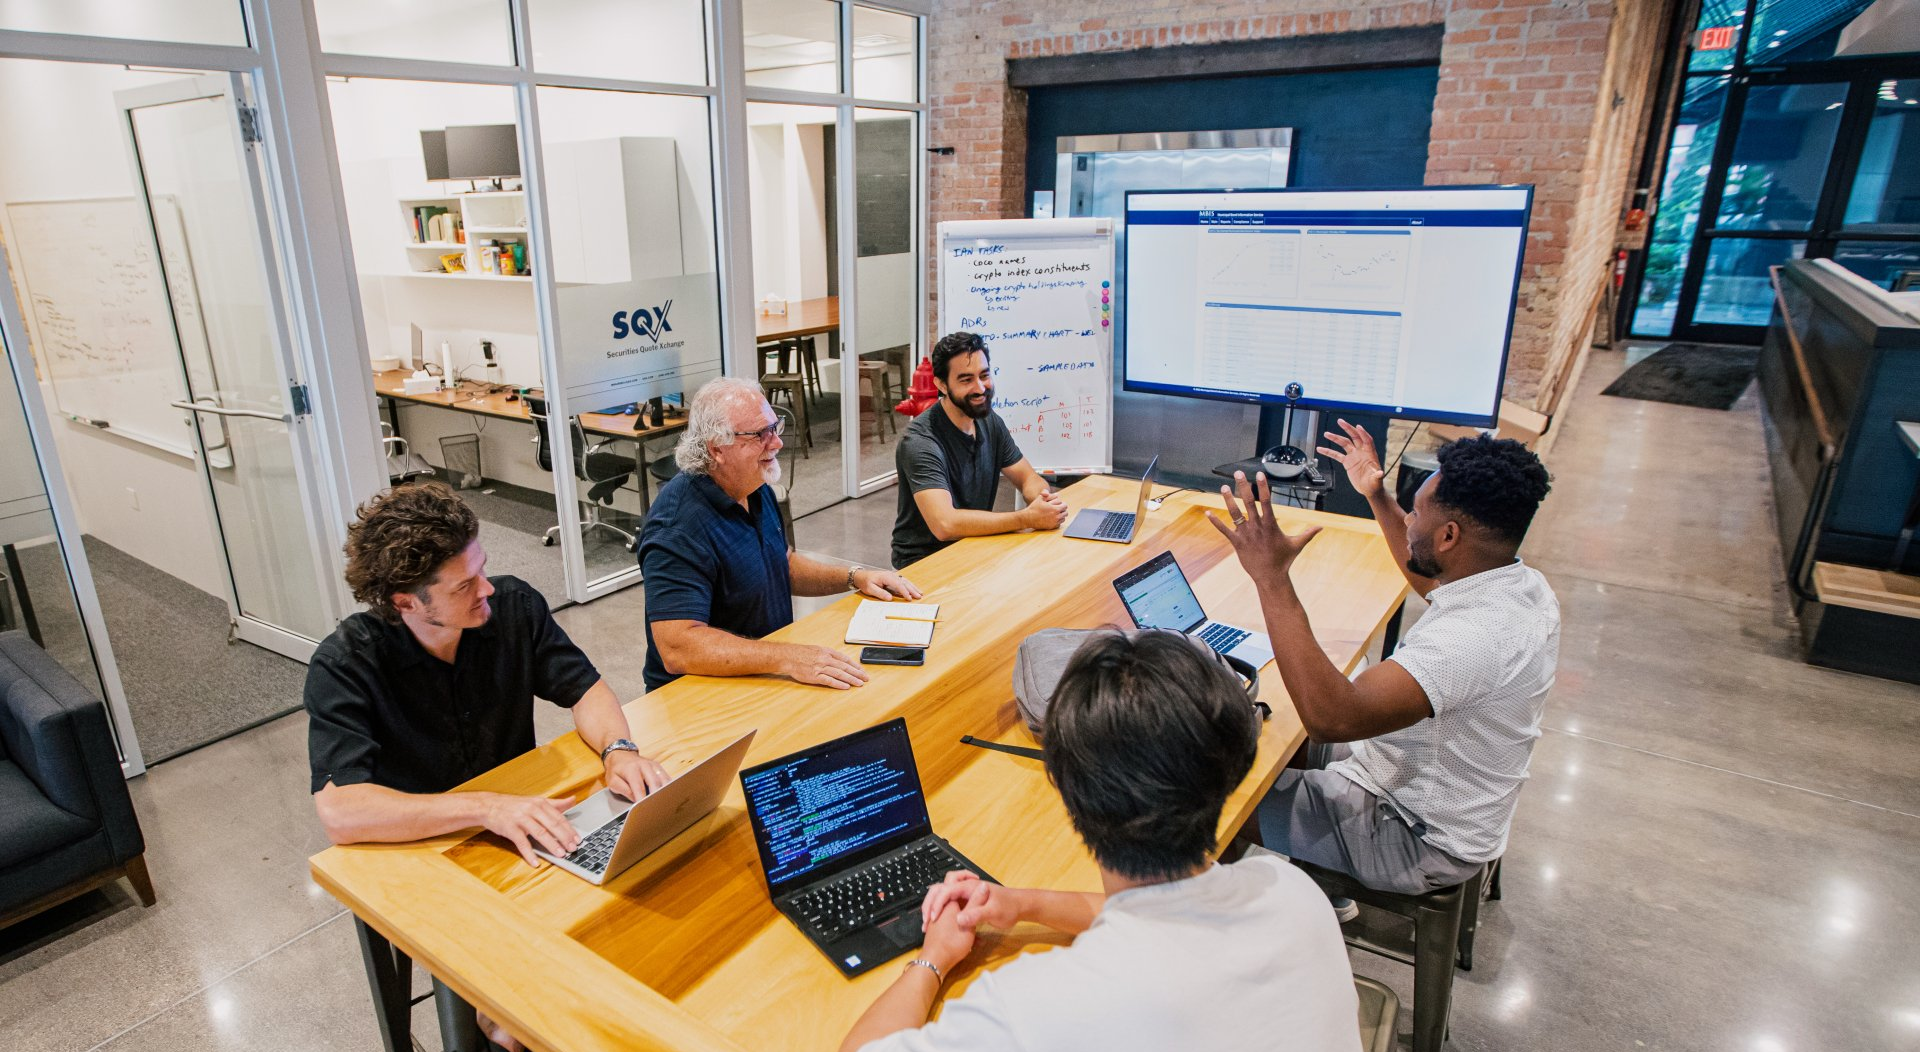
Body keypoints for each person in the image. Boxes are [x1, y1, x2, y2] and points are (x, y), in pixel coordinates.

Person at [840, 631, 1361, 1052]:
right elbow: (1157, 915)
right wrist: (1022, 903)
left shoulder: (1039, 1006)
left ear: (1068, 793)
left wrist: (931, 961)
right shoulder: (1293, 891)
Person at [304, 481, 669, 1052]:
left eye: (483, 569)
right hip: (427, 856)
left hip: (527, 837)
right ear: (406, 602)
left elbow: (587, 690)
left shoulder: (513, 607)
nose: (487, 589)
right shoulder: (346, 663)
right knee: (515, 1021)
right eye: (465, 584)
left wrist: (619, 750)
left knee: (641, 914)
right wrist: (486, 808)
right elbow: (341, 812)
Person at [1209, 423, 1558, 903]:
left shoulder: (1471, 640)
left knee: (1197, 792)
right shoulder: (1519, 587)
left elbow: (1333, 718)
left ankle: (1214, 921)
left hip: (1415, 838)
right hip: (1427, 785)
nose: (1409, 521)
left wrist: (1271, 578)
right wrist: (1376, 494)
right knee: (1269, 735)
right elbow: (1430, 579)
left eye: (1416, 513)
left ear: (1450, 536)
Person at [639, 377, 921, 693]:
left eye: (775, 427)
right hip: (697, 697)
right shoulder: (677, 527)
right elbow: (679, 647)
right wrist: (787, 657)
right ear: (716, 448)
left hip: (759, 675)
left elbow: (781, 565)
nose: (776, 443)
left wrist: (855, 576)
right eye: (760, 434)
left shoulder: (754, 487)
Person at [891, 331, 1068, 569]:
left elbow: (1027, 477)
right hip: (924, 565)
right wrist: (1026, 518)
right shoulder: (920, 442)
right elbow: (945, 524)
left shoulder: (989, 421)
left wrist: (1042, 499)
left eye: (984, 375)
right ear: (941, 384)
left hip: (973, 549)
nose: (980, 388)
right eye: (966, 380)